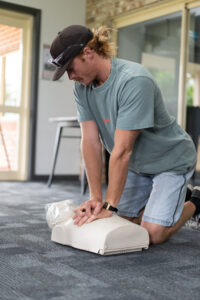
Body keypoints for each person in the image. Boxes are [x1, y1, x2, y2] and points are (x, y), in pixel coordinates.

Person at [49, 25, 200, 244]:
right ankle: (170, 201)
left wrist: (109, 205)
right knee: (122, 227)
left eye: (70, 68)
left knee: (152, 234)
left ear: (87, 53)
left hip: (170, 161)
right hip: (137, 166)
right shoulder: (81, 88)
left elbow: (122, 150)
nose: (71, 76)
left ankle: (195, 199)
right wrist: (96, 198)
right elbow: (90, 142)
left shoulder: (134, 81)